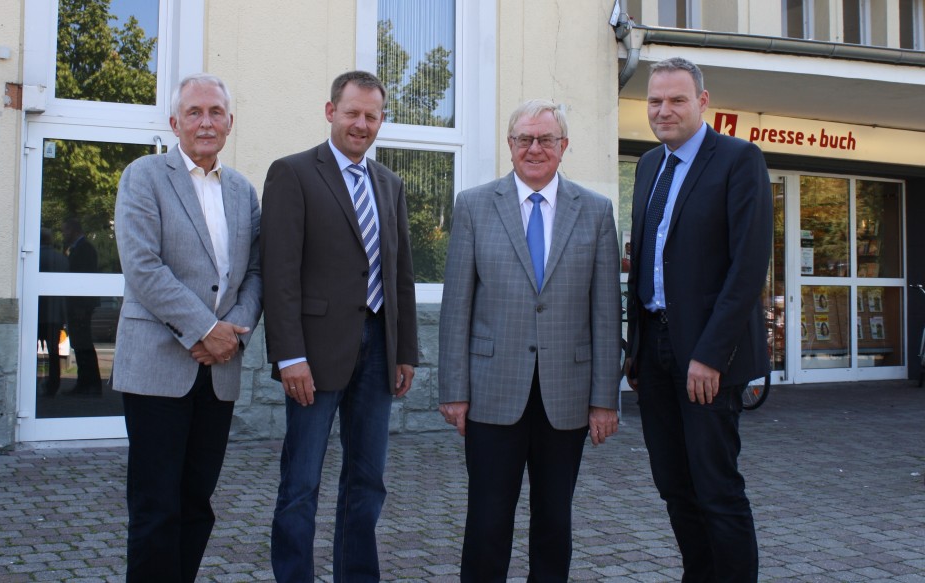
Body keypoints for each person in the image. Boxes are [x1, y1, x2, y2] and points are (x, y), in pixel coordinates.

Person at [438, 99, 622, 582]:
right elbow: (457, 305)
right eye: (524, 139)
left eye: (545, 140)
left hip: (567, 394)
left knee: (554, 520)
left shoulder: (597, 212)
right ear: (510, 145)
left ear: (564, 147)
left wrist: (605, 400)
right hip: (492, 391)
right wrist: (454, 390)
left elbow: (606, 313)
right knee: (487, 519)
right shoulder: (475, 206)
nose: (534, 149)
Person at [261, 70, 418, 582]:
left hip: (378, 348)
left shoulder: (389, 185)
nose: (362, 124)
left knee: (367, 479)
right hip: (315, 353)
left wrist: (405, 352)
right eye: (352, 113)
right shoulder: (294, 173)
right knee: (302, 481)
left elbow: (400, 276)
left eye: (372, 116)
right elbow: (280, 273)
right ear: (331, 112)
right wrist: (289, 355)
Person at [624, 57, 772, 583]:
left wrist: (710, 354)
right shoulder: (647, 166)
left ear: (702, 103)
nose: (664, 110)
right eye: (655, 101)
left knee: (716, 487)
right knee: (673, 484)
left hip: (708, 355)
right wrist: (636, 351)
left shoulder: (737, 159)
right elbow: (645, 260)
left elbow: (747, 267)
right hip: (657, 352)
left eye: (676, 100)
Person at [112, 73, 262, 582]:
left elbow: (258, 271)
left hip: (218, 372)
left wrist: (232, 329)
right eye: (194, 112)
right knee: (157, 507)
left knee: (198, 502)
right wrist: (203, 329)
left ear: (230, 123)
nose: (206, 122)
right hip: (158, 364)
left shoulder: (243, 190)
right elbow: (143, 266)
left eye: (215, 112)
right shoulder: (144, 176)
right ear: (174, 122)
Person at [62, 217, 102, 395]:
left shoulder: (84, 249)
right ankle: (86, 383)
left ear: (74, 230)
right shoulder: (78, 249)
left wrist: (81, 307)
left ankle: (89, 384)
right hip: (78, 304)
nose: (63, 234)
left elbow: (85, 278)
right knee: (79, 343)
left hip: (81, 306)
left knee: (83, 343)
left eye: (65, 230)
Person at [38, 228, 68, 396]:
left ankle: (32, 384)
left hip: (37, 314)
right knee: (53, 353)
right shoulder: (62, 259)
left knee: (29, 350)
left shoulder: (36, 258)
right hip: (55, 314)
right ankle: (54, 384)